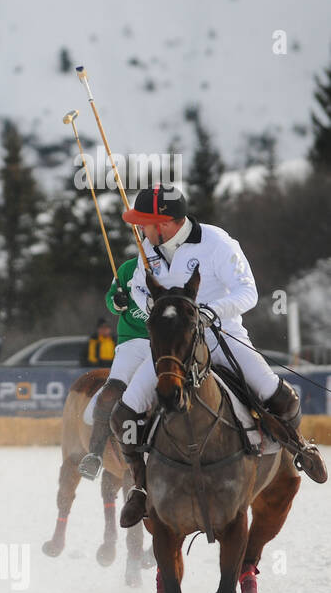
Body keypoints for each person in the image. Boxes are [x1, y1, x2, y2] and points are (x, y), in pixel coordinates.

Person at [110, 183, 327, 527]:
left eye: (144, 223)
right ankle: (141, 487)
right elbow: (139, 286)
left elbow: (248, 293)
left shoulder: (216, 243)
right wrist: (145, 303)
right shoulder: (147, 250)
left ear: (164, 223)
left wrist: (210, 311)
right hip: (175, 350)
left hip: (221, 339)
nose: (140, 229)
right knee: (123, 415)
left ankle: (299, 448)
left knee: (279, 396)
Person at [76, 256, 152, 480]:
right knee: (109, 394)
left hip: (163, 342)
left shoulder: (173, 266)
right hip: (130, 343)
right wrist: (116, 302)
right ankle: (95, 455)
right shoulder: (127, 268)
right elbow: (110, 299)